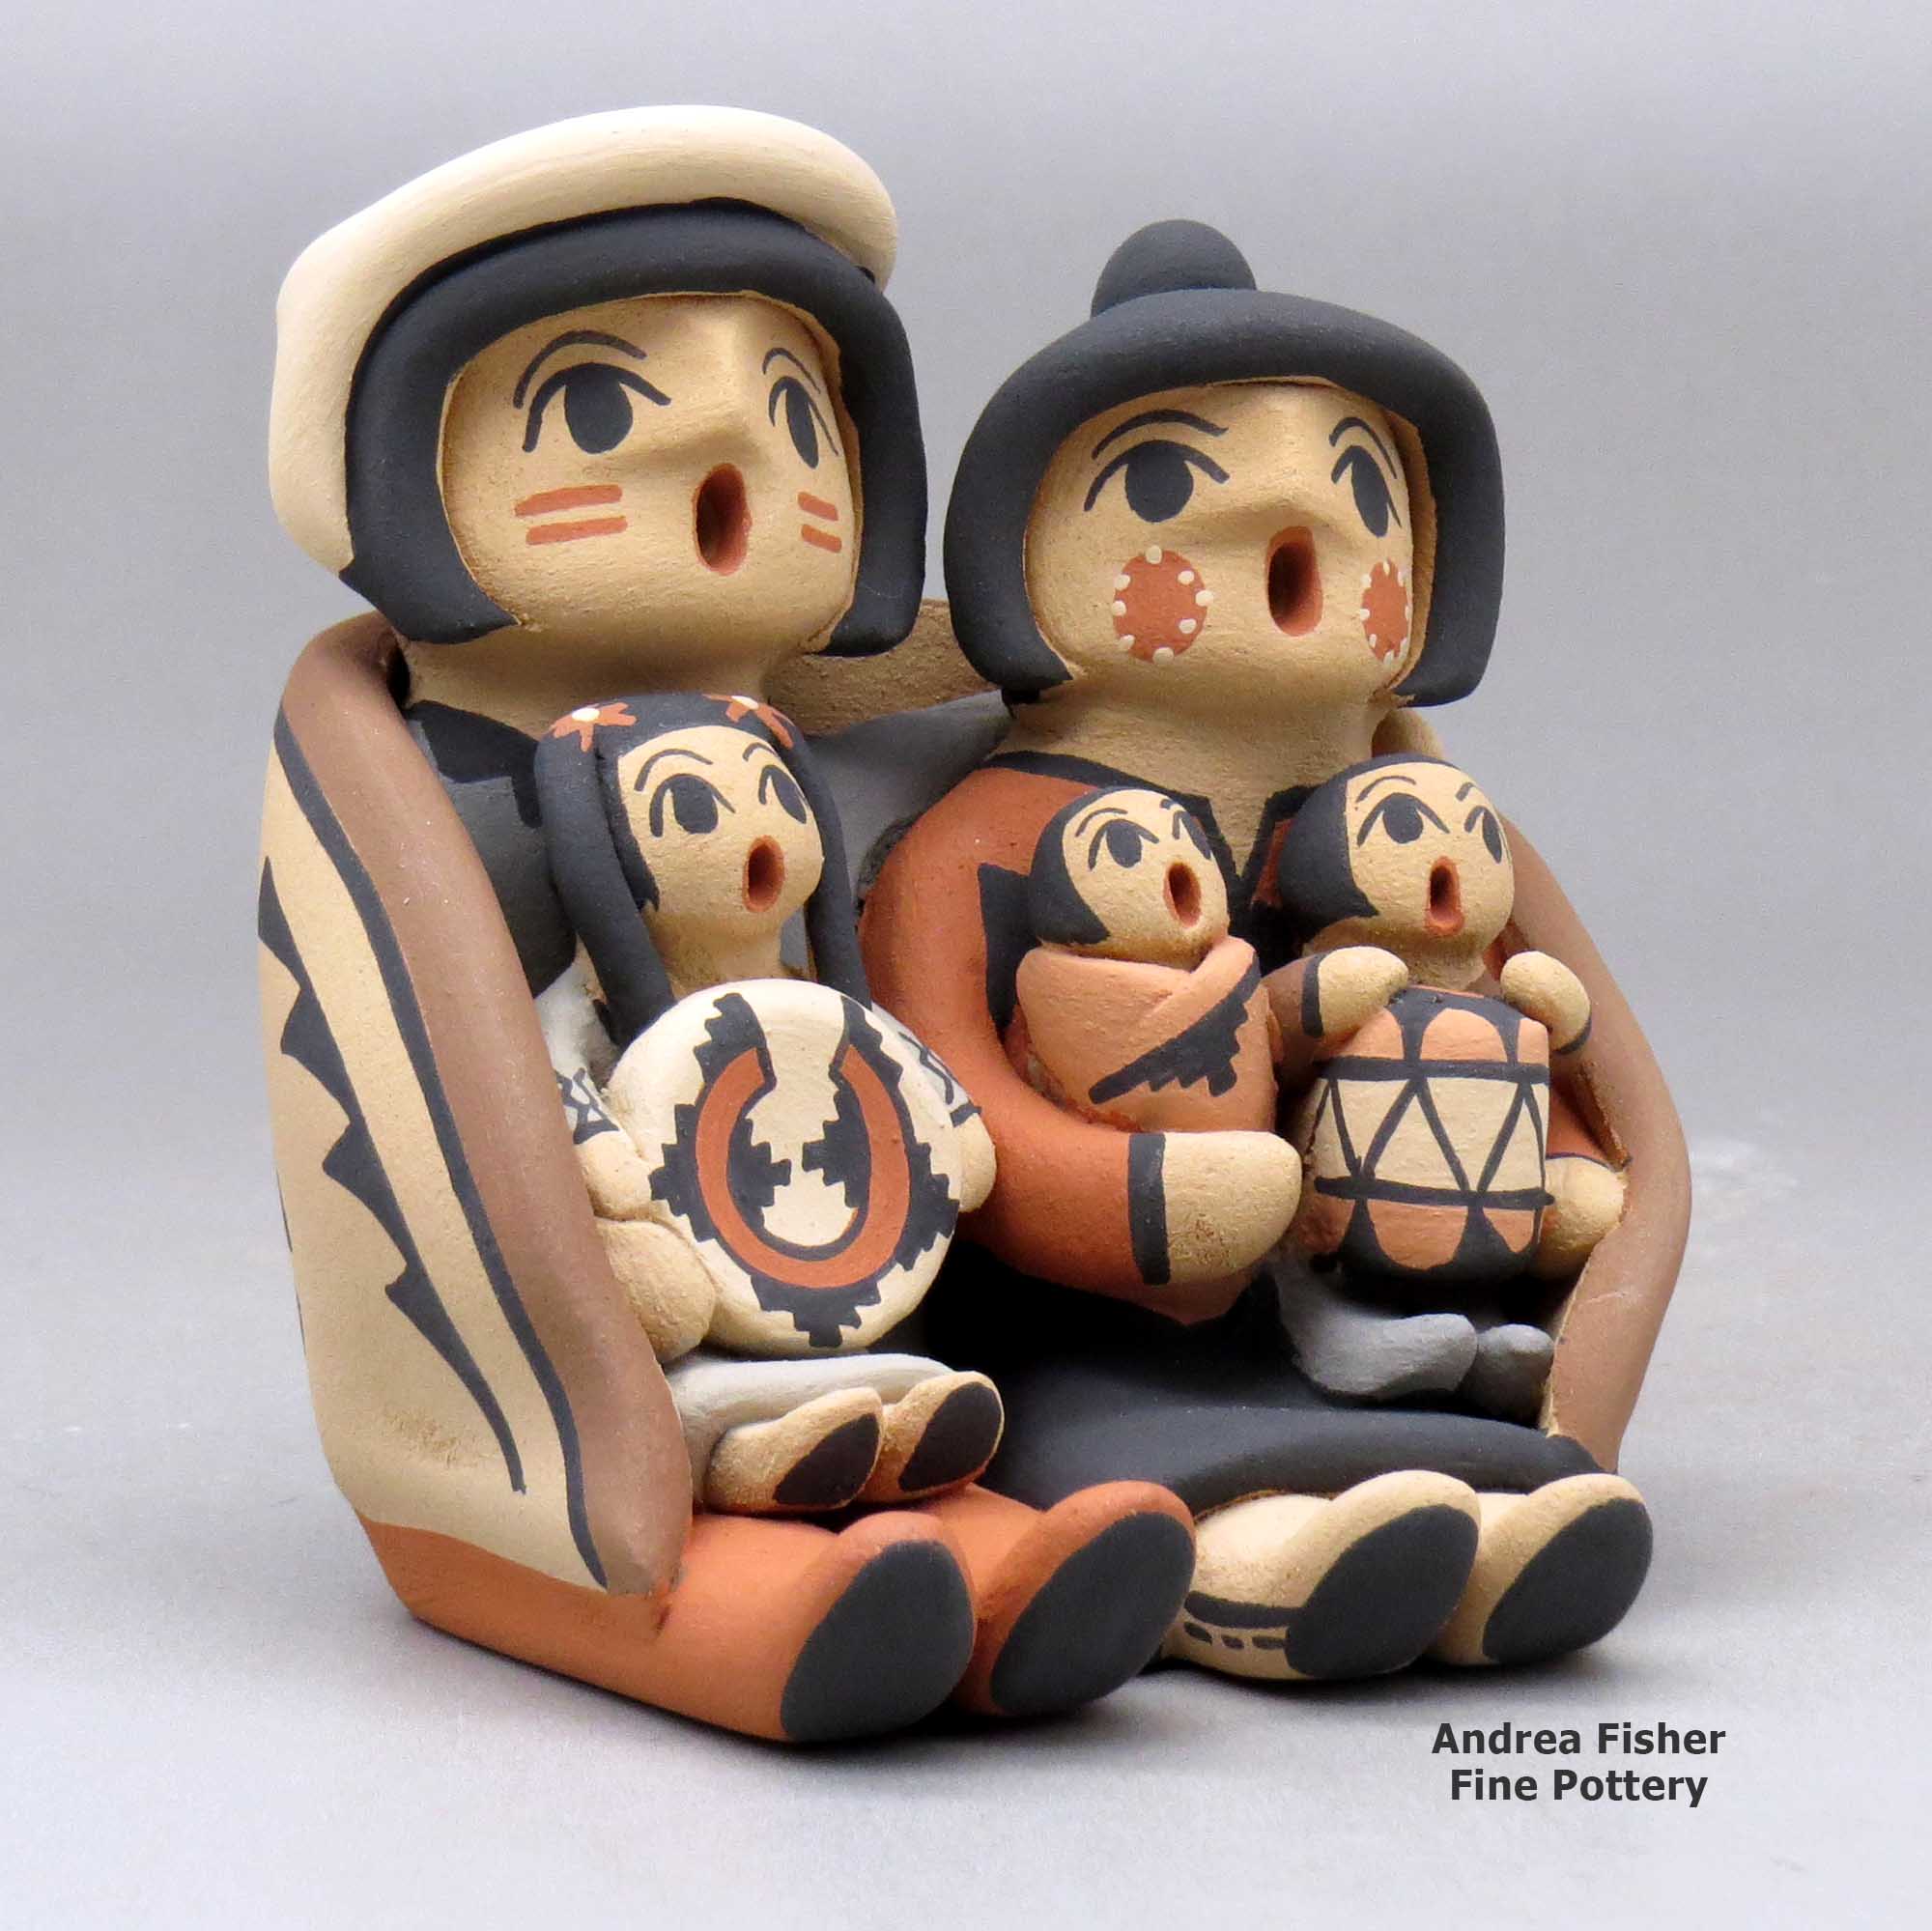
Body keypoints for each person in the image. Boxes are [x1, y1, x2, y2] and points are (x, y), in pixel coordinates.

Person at [262, 109, 1190, 1742]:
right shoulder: (419, 792)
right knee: (694, 1442)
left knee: (871, 1389)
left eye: (794, 406)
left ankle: (976, 1550)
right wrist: (589, 1214)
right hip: (581, 1290)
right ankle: (752, 1613)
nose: (728, 452)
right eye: (595, 405)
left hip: (818, 1230)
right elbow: (441, 1078)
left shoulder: (831, 728)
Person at [865, 219, 1675, 1680]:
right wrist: (1136, 1200)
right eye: (1162, 484)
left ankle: (1494, 1540)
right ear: (1023, 565)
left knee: (1454, 1430)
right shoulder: (976, 844)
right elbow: (948, 1095)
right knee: (1149, 1442)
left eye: (1365, 487)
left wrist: (1553, 1177)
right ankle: (1266, 1574)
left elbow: (1545, 1040)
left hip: (1391, 1285)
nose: (1301, 526)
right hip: (1093, 1317)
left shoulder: (1424, 818)